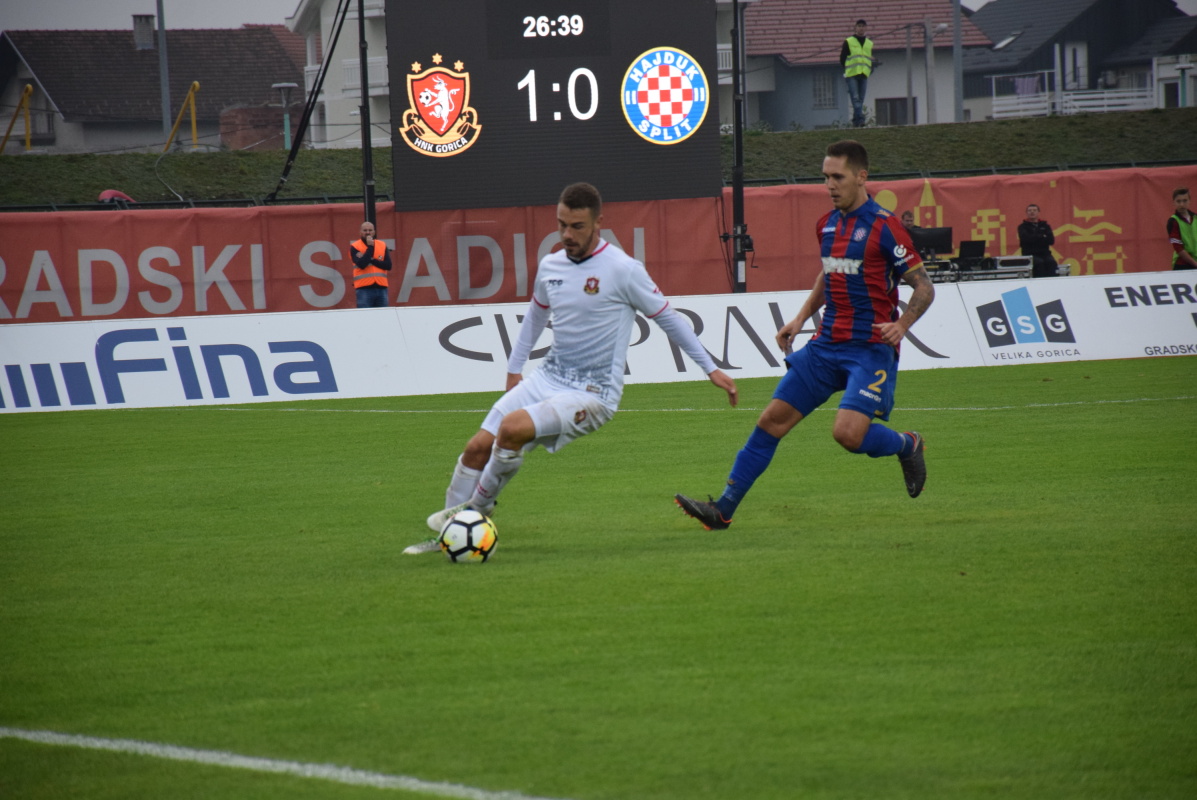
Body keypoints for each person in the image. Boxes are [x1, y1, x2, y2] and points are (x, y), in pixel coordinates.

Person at [404, 182, 739, 554]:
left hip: (593, 394)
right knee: (476, 448)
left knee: (511, 430)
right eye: (561, 224)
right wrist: (515, 369)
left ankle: (473, 513)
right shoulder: (551, 265)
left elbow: (667, 318)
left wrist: (711, 368)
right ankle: (447, 539)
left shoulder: (623, 270)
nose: (567, 234)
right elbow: (535, 316)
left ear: (598, 223)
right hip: (548, 377)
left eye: (576, 226)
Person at [675, 140, 935, 531]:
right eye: (825, 177)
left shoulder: (884, 226)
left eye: (838, 177)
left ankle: (906, 444)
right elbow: (830, 274)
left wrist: (903, 325)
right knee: (771, 422)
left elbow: (924, 287)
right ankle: (723, 509)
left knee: (847, 435)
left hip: (869, 350)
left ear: (862, 177)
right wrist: (799, 318)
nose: (830, 185)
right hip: (826, 344)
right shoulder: (826, 224)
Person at [840, 19, 874, 128]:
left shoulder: (869, 43)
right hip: (852, 74)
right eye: (859, 26)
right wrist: (847, 69)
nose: (861, 28)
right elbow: (842, 58)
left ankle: (856, 122)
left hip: (864, 74)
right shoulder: (849, 41)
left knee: (861, 99)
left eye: (863, 26)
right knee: (855, 98)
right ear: (855, 27)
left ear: (866, 28)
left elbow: (868, 58)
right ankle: (860, 120)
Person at [350, 221, 392, 307]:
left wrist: (371, 260)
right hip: (364, 288)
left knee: (383, 316)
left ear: (374, 232)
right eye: (365, 230)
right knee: (366, 317)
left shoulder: (382, 245)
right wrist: (370, 247)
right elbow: (362, 264)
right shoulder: (355, 246)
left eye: (370, 230)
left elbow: (388, 265)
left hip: (381, 287)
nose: (368, 232)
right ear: (360, 232)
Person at [1017, 204, 1059, 278]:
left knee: (1051, 263)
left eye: (1034, 210)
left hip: (1045, 254)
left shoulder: (1045, 226)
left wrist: (1034, 237)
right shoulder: (1022, 227)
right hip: (1030, 254)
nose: (1032, 212)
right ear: (1026, 213)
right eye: (1029, 211)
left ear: (1038, 212)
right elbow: (1026, 240)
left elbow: (1051, 240)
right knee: (1039, 264)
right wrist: (1041, 236)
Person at [1167, 187, 1197, 270]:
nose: (1182, 204)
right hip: (1182, 264)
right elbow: (1178, 248)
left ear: (1189, 201)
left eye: (1185, 201)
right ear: (1174, 203)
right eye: (1178, 201)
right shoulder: (1173, 221)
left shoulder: (1195, 218)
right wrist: (1195, 264)